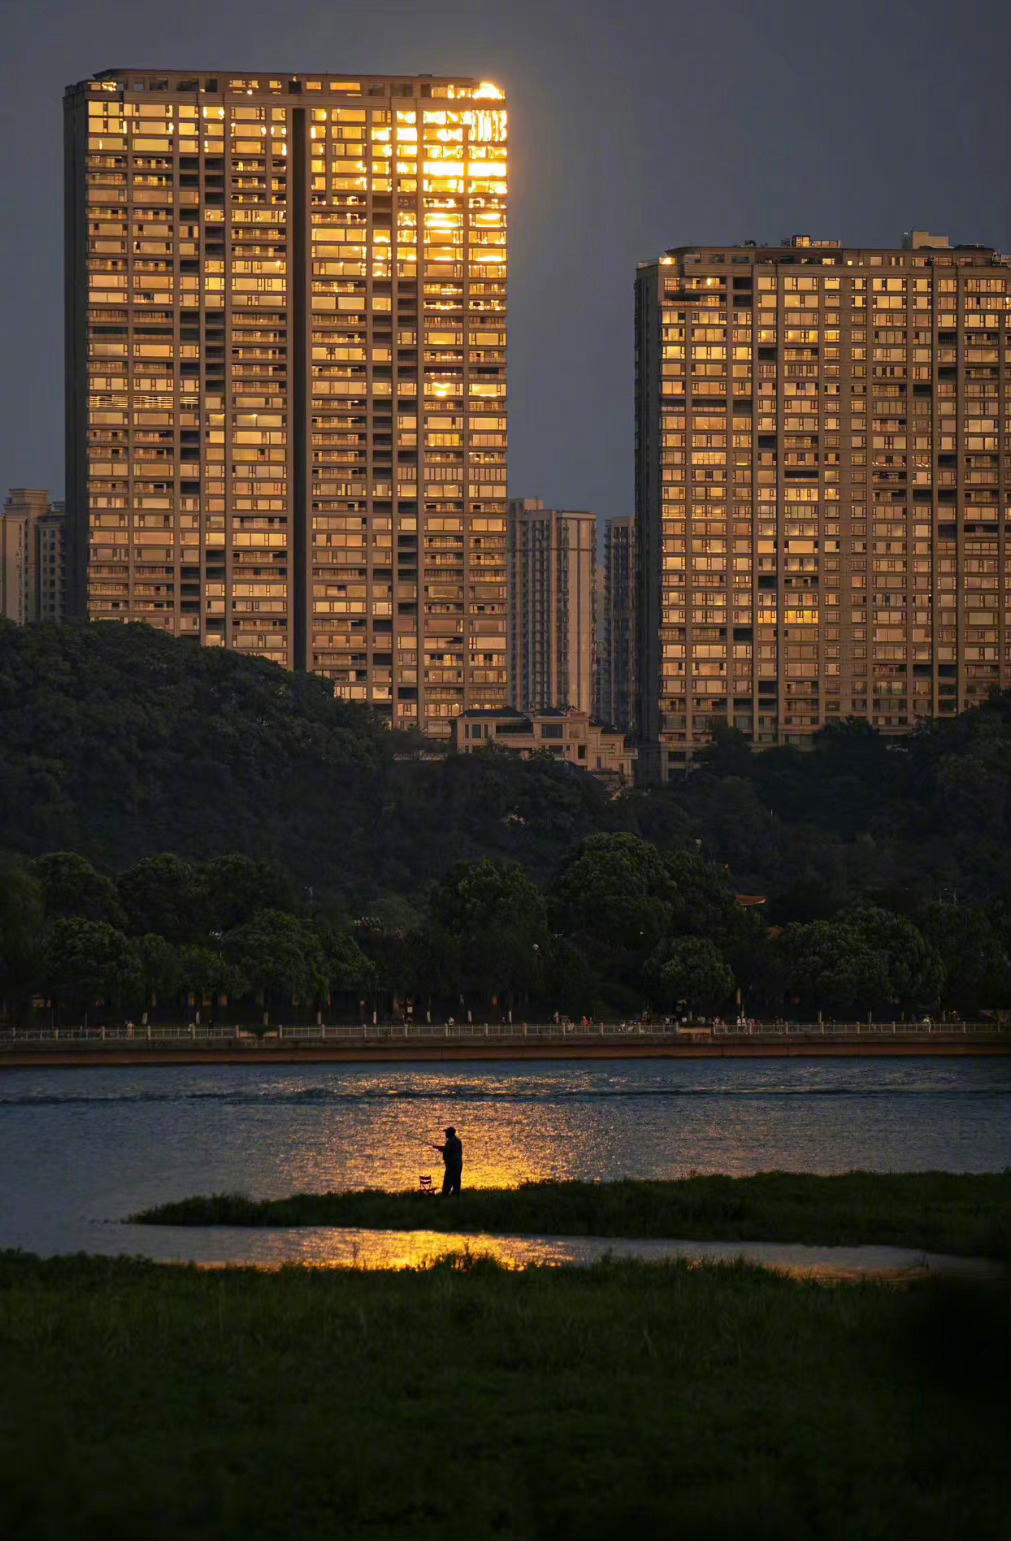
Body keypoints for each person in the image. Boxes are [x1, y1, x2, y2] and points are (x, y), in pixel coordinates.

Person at [430, 1126, 463, 1196]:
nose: (445, 1134)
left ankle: (445, 1197)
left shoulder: (450, 1141)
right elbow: (451, 1150)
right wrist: (441, 1148)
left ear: (449, 1133)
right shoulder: (458, 1141)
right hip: (458, 1165)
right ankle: (456, 1197)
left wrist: (441, 1149)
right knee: (456, 1182)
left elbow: (448, 1151)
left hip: (451, 1166)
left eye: (446, 1132)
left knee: (447, 1183)